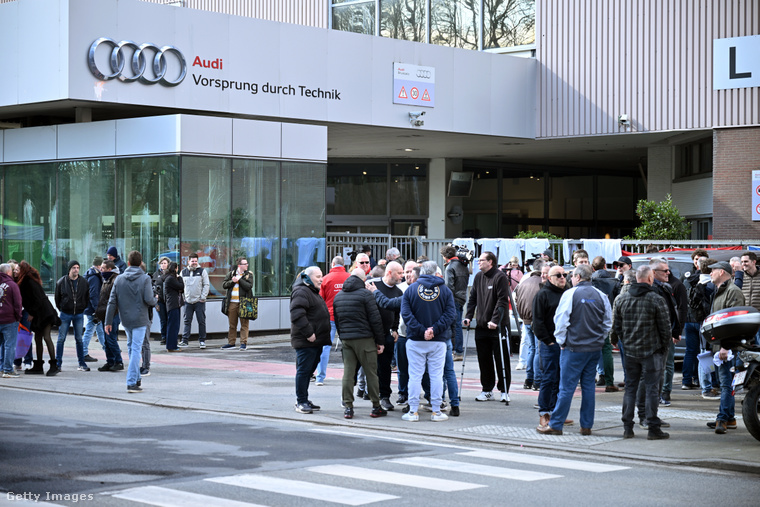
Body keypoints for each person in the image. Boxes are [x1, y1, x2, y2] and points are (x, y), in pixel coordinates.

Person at [538, 265, 611, 436]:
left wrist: (562, 341)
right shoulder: (601, 295)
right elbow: (608, 322)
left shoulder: (570, 294)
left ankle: (556, 424)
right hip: (593, 348)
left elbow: (561, 321)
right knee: (588, 387)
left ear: (577, 277)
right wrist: (599, 339)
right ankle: (586, 425)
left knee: (566, 388)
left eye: (571, 276)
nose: (569, 278)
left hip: (573, 348)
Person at [613, 265, 672, 440]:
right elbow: (665, 328)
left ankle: (627, 427)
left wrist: (625, 341)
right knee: (652, 390)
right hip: (652, 351)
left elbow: (616, 327)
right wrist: (662, 347)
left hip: (631, 351)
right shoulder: (655, 299)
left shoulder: (621, 299)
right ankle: (653, 427)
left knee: (630, 389)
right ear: (649, 279)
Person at [400, 261, 456, 422]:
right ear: (436, 272)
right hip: (438, 340)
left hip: (416, 339)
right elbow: (450, 314)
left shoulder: (411, 290)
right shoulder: (445, 290)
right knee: (437, 375)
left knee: (415, 376)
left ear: (421, 271)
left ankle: (413, 411)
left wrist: (421, 330)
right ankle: (436, 411)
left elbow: (406, 314)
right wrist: (435, 329)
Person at [333, 268, 386, 419]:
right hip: (365, 339)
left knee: (348, 374)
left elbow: (337, 320)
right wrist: (380, 341)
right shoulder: (366, 295)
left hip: (347, 340)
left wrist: (343, 336)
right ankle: (376, 406)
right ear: (363, 280)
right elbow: (375, 319)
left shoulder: (339, 296)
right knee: (371, 373)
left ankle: (348, 407)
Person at [105, 251, 157, 393]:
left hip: (126, 319)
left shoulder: (119, 279)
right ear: (140, 263)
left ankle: (136, 376)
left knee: (131, 346)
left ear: (128, 263)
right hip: (140, 319)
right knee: (136, 349)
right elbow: (149, 299)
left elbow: (112, 301)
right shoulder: (145, 278)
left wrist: (108, 321)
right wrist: (156, 299)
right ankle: (132, 381)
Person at [463, 251, 512, 404]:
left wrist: (495, 320)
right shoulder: (478, 277)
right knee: (484, 360)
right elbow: (472, 299)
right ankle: (487, 390)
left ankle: (504, 390)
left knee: (501, 359)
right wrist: (468, 316)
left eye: (482, 260)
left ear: (490, 262)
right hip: (482, 326)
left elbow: (502, 301)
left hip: (497, 327)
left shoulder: (500, 277)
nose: (478, 262)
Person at [706, 261, 745, 434]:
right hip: (721, 346)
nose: (710, 274)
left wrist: (725, 347)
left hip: (728, 347)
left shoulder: (732, 291)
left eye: (712, 271)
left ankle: (722, 418)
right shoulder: (720, 290)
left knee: (727, 385)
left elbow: (734, 323)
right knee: (726, 384)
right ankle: (729, 418)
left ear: (721, 272)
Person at [290, 266, 331, 414]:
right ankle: (301, 401)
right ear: (307, 278)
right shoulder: (302, 291)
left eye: (322, 276)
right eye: (318, 276)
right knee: (304, 371)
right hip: (307, 341)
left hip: (315, 341)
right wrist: (309, 333)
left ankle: (304, 399)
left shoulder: (311, 291)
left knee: (307, 371)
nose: (321, 279)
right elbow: (296, 314)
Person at [532, 264, 569, 429]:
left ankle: (556, 412)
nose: (562, 278)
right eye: (558, 275)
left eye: (564, 274)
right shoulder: (543, 295)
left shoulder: (567, 293)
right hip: (550, 343)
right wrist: (549, 341)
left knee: (561, 379)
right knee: (548, 378)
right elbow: (537, 322)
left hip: (565, 344)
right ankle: (544, 412)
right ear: (549, 278)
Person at [368, 261, 403, 411]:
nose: (402, 276)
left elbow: (396, 312)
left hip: (387, 334)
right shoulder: (372, 285)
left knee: (385, 367)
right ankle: (357, 393)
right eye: (399, 273)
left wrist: (395, 328)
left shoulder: (398, 292)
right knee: (365, 366)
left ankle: (385, 396)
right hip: (370, 334)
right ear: (389, 273)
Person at [15, 261, 59, 376]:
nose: (15, 271)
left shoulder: (28, 282)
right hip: (39, 313)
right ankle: (38, 365)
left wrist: (32, 313)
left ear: (22, 271)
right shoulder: (25, 281)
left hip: (44, 313)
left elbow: (38, 299)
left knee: (46, 337)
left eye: (17, 270)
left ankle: (54, 365)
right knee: (38, 339)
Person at [316, 256, 350, 385]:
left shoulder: (325, 279)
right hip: (346, 316)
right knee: (350, 347)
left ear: (332, 264)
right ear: (343, 265)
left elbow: (320, 300)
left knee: (325, 347)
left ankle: (320, 377)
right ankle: (352, 377)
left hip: (329, 316)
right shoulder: (350, 277)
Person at [590, 255, 621, 392]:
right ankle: (609, 382)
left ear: (593, 267)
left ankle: (590, 380)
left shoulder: (590, 281)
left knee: (590, 350)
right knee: (607, 350)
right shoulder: (614, 282)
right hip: (608, 318)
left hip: (591, 320)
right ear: (604, 266)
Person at [514, 258, 546, 390]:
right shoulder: (542, 283)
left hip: (526, 319)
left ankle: (529, 379)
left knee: (532, 348)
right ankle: (537, 380)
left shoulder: (524, 282)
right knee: (537, 349)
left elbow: (516, 299)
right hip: (537, 320)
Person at [54, 260, 91, 372]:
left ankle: (82, 363)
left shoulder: (83, 282)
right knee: (61, 339)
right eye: (74, 267)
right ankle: (58, 363)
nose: (76, 270)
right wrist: (62, 307)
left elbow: (86, 297)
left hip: (78, 313)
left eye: (77, 267)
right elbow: (57, 299)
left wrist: (82, 307)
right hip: (65, 313)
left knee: (79, 339)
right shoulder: (61, 282)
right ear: (69, 269)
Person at [681, 249, 709, 390]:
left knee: (692, 351)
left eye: (700, 259)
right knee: (701, 351)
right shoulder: (707, 277)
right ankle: (699, 380)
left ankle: (688, 380)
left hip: (690, 319)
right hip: (700, 319)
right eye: (697, 259)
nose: (698, 262)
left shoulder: (687, 278)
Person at [95, 261, 125, 372]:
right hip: (105, 314)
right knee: (107, 340)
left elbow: (115, 300)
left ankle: (118, 361)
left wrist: (111, 314)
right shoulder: (106, 279)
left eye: (103, 268)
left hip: (113, 314)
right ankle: (110, 361)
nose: (100, 270)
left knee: (111, 338)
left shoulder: (115, 279)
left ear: (109, 269)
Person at [440, 245, 468, 360]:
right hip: (462, 297)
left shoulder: (450, 267)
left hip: (454, 298)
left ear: (445, 256)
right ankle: (458, 351)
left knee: (455, 324)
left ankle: (458, 351)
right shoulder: (463, 265)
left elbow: (449, 287)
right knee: (458, 324)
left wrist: (447, 302)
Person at [222, 257, 254, 350]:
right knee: (232, 325)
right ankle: (231, 343)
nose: (247, 265)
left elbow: (249, 286)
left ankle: (243, 343)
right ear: (239, 265)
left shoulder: (249, 275)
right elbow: (224, 285)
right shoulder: (231, 274)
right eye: (245, 264)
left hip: (244, 302)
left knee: (244, 324)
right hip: (232, 302)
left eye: (247, 263)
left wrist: (239, 280)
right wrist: (233, 281)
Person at [180, 253, 210, 349]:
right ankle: (184, 341)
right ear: (188, 261)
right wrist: (183, 297)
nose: (194, 263)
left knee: (201, 321)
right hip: (187, 302)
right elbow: (180, 286)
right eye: (192, 261)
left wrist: (203, 297)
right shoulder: (183, 272)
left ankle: (202, 341)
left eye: (196, 261)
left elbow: (206, 285)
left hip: (199, 302)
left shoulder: (202, 271)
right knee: (187, 321)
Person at [0, 264, 23, 378]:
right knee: (9, 345)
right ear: (8, 272)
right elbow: (18, 303)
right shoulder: (12, 285)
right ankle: (8, 369)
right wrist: (18, 317)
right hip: (9, 320)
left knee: (1, 345)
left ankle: (1, 368)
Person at [82, 256, 104, 363]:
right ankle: (83, 352)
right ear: (99, 266)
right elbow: (94, 294)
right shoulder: (95, 277)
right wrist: (97, 309)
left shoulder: (89, 273)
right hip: (93, 309)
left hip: (90, 307)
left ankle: (108, 348)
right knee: (90, 329)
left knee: (99, 330)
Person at [163, 262, 184, 352]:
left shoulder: (170, 278)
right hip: (173, 305)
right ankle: (171, 346)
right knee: (173, 326)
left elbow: (181, 289)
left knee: (175, 326)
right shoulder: (170, 279)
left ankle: (173, 345)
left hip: (175, 304)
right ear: (175, 268)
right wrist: (180, 278)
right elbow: (181, 286)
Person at [740, 251, 760, 345]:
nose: (743, 264)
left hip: (758, 318)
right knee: (744, 347)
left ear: (754, 262)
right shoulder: (740, 277)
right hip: (744, 318)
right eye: (742, 262)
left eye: (746, 261)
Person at [152, 257, 170, 345]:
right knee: (163, 319)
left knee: (169, 319)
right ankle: (164, 337)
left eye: (165, 263)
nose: (163, 265)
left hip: (169, 300)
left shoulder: (170, 274)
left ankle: (169, 336)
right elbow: (152, 286)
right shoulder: (156, 274)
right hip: (160, 301)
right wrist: (155, 294)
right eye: (162, 263)